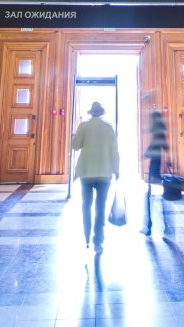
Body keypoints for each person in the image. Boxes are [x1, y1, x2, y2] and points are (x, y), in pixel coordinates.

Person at [71, 101, 120, 253]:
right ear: (102, 113)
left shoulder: (84, 126)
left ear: (91, 113)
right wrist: (116, 170)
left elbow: (75, 146)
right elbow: (114, 152)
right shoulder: (109, 128)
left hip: (86, 172)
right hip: (104, 173)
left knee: (86, 205)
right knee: (101, 206)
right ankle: (98, 237)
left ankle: (86, 235)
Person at [141, 104, 168, 236]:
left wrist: (145, 154)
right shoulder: (160, 131)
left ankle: (149, 224)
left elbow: (156, 145)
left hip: (155, 164)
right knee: (153, 195)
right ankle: (152, 224)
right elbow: (164, 146)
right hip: (156, 163)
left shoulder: (157, 132)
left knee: (150, 195)